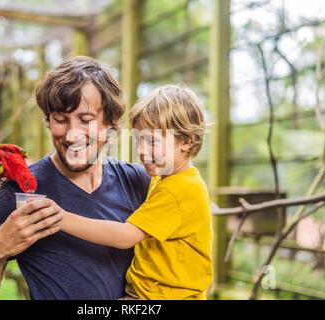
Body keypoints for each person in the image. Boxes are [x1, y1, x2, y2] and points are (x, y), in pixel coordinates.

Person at [0, 56, 151, 300]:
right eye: (60, 120)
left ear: (110, 121)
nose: (72, 135)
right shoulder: (20, 192)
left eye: (86, 120)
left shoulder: (139, 182)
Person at [43, 84, 213, 300]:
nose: (141, 150)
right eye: (138, 139)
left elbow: (126, 236)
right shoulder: (172, 179)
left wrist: (60, 218)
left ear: (186, 141)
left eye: (152, 141)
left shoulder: (179, 189)